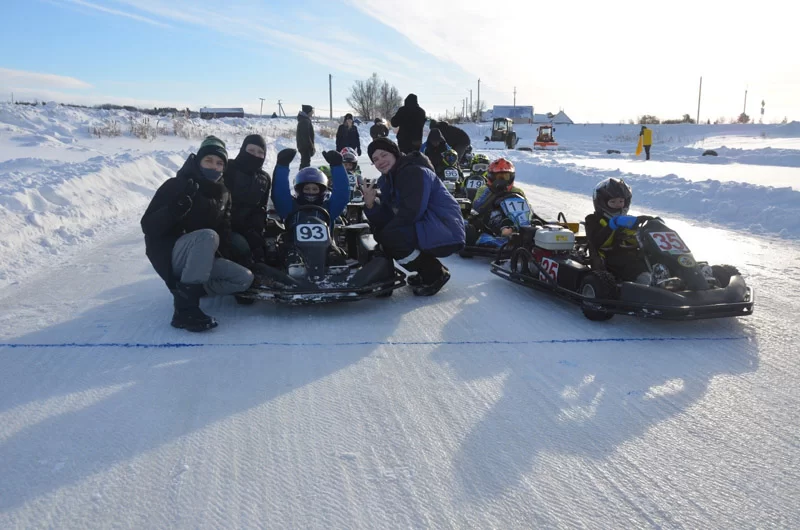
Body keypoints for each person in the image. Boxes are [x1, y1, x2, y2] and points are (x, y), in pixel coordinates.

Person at [141, 136, 254, 332]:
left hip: (202, 257)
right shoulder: (176, 185)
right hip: (172, 255)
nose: (214, 167)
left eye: (219, 163)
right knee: (207, 236)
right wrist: (173, 212)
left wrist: (238, 259)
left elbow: (224, 231)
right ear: (198, 160)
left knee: (244, 279)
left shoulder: (224, 193)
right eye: (208, 160)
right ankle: (184, 311)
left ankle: (187, 291)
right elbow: (148, 226)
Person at [362, 137, 465, 296]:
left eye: (384, 155)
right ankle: (426, 270)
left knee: (390, 237)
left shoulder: (413, 171)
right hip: (426, 225)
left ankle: (434, 273)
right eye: (375, 159)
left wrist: (385, 235)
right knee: (382, 232)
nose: (380, 161)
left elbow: (412, 211)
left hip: (443, 227)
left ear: (394, 153)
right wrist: (370, 204)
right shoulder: (387, 179)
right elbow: (387, 216)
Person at [271, 148, 350, 275]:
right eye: (307, 189)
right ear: (299, 189)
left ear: (322, 190)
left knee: (334, 253)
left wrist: (337, 166)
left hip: (325, 248)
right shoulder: (290, 207)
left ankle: (337, 271)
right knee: (290, 253)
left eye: (315, 189)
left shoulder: (329, 207)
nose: (311, 192)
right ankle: (296, 269)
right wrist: (282, 166)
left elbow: (342, 195)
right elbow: (280, 193)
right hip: (294, 247)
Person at [584, 177, 650, 283]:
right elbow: (597, 243)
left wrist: (648, 227)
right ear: (602, 203)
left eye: (621, 201)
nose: (618, 205)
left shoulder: (627, 220)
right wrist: (612, 225)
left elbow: (636, 238)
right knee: (631, 264)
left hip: (632, 256)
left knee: (650, 258)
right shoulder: (593, 220)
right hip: (608, 260)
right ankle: (646, 282)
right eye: (613, 202)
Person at [223, 134, 271, 267]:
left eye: (260, 152)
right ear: (243, 149)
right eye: (251, 150)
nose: (255, 155)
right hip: (226, 227)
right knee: (241, 249)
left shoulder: (264, 178)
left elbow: (261, 208)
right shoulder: (229, 169)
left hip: (250, 228)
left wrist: (257, 230)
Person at [466, 158, 533, 247]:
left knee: (529, 219)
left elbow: (526, 207)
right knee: (500, 217)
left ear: (511, 177)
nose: (502, 180)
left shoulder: (517, 191)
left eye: (505, 177)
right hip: (491, 217)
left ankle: (526, 232)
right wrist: (492, 193)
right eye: (499, 177)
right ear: (491, 177)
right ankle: (506, 233)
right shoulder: (484, 189)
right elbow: (477, 208)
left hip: (516, 218)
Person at [296, 104, 315, 169]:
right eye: (311, 112)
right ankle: (303, 178)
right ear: (308, 112)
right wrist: (311, 147)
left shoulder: (304, 120)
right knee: (305, 165)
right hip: (305, 147)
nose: (312, 114)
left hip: (304, 146)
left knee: (305, 163)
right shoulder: (305, 121)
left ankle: (302, 177)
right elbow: (306, 136)